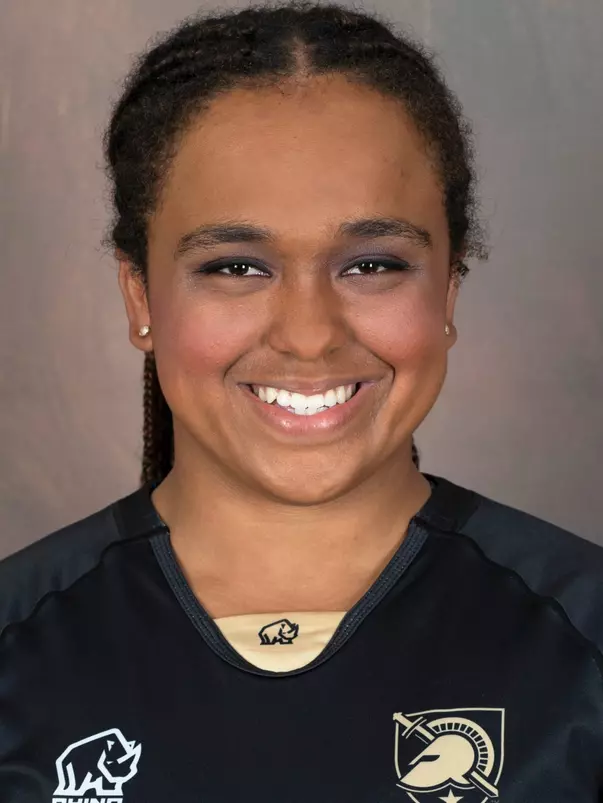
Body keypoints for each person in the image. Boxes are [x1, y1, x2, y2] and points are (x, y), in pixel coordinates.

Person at [1, 2, 602, 801]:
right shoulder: (18, 646)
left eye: (373, 263)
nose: (310, 335)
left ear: (448, 286)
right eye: (236, 267)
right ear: (139, 294)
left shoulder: (581, 637)